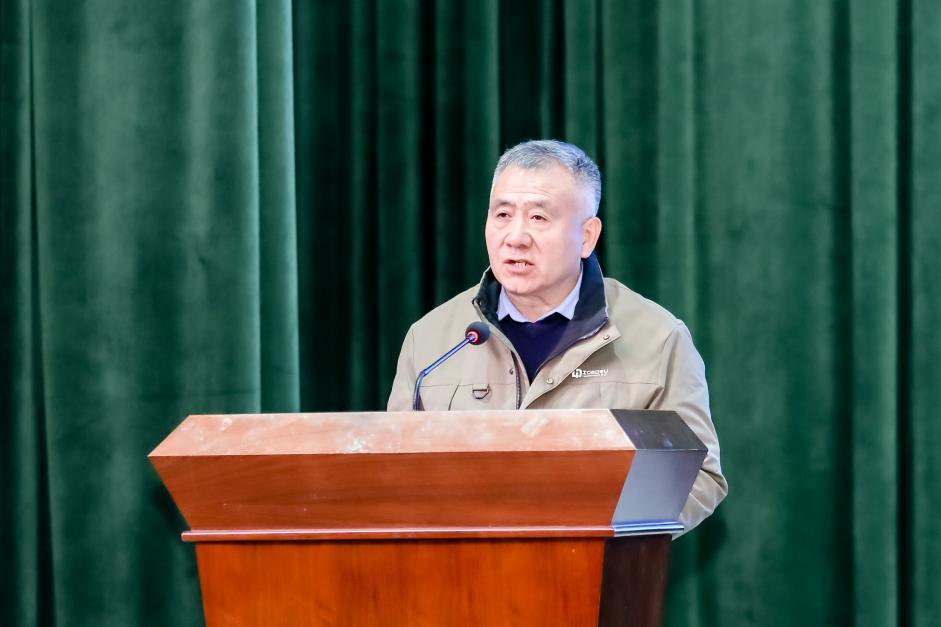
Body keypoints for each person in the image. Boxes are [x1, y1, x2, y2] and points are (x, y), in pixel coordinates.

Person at [387, 139, 726, 531]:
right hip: (460, 566)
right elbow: (391, 471)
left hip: (592, 565)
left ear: (587, 236)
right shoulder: (431, 338)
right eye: (502, 214)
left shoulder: (657, 338)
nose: (515, 236)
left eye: (538, 217)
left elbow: (699, 476)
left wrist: (601, 534)